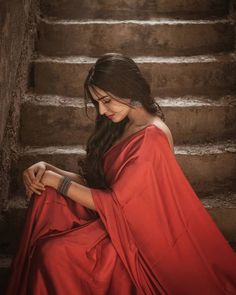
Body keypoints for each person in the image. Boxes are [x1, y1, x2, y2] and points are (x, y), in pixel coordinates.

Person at [5, 53, 236, 295]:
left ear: (129, 90)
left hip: (133, 235)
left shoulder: (152, 138)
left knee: (52, 253)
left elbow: (117, 204)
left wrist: (58, 181)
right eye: (97, 103)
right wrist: (48, 170)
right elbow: (98, 186)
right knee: (46, 198)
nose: (102, 110)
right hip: (110, 217)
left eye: (106, 101)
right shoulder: (122, 124)